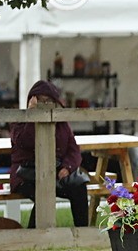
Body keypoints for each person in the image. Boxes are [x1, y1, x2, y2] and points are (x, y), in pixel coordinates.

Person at [10, 80, 89, 227]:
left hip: (54, 172)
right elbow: (26, 142)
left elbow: (73, 150)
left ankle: (82, 233)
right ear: (32, 100)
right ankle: (34, 236)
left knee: (79, 187)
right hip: (26, 174)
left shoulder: (62, 123)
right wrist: (32, 116)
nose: (44, 104)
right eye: (39, 100)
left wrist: (67, 167)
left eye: (48, 100)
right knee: (44, 192)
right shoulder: (19, 121)